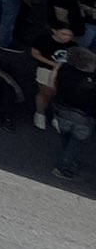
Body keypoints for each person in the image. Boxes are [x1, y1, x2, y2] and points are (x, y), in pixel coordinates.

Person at [49, 48, 96, 179]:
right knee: (77, 141)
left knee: (66, 136)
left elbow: (54, 78)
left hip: (60, 109)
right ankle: (63, 167)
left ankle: (70, 158)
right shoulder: (91, 81)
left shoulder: (65, 70)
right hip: (82, 116)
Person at [31, 23, 78, 129]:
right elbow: (35, 54)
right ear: (54, 31)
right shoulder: (43, 39)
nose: (67, 38)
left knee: (60, 95)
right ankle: (40, 113)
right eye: (64, 34)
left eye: (70, 35)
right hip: (45, 68)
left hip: (64, 72)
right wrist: (53, 64)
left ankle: (55, 115)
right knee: (46, 91)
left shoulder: (73, 45)